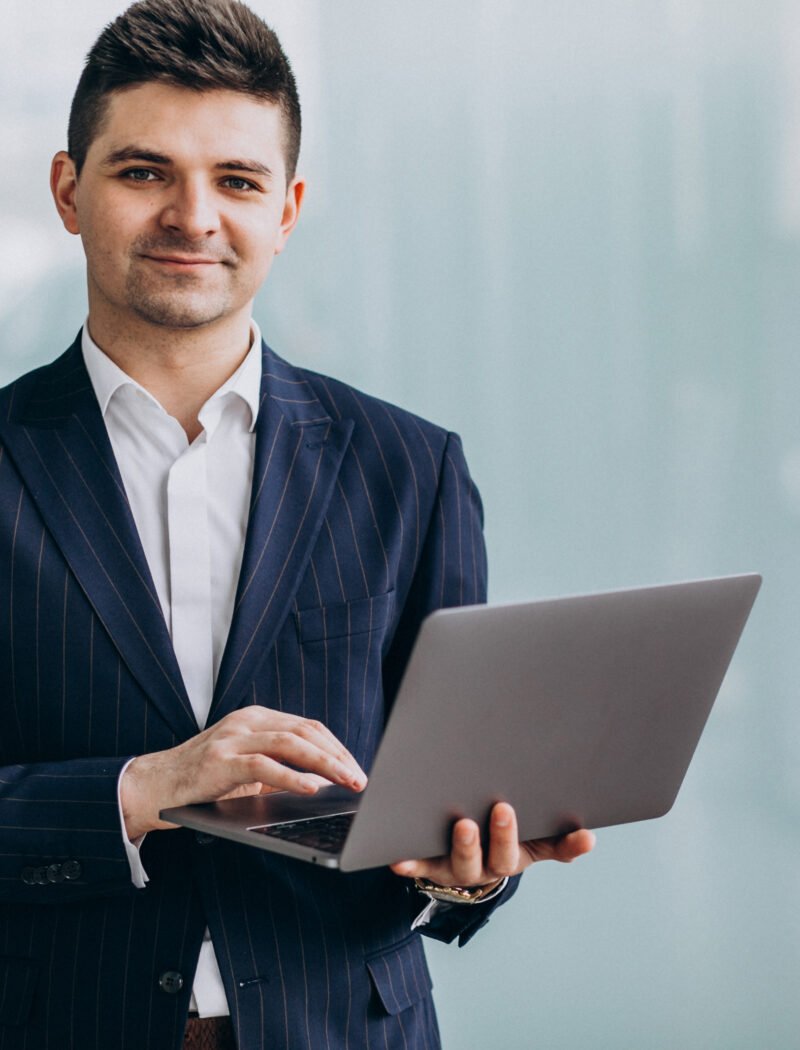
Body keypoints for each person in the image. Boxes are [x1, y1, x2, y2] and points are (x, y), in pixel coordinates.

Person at [0, 2, 594, 1047]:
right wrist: (150, 788)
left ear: (287, 208)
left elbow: (442, 804)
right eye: (144, 173)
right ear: (67, 190)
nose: (194, 216)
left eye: (236, 180)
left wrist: (469, 877)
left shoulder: (411, 468)